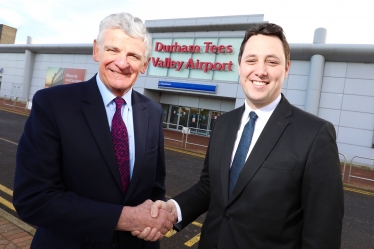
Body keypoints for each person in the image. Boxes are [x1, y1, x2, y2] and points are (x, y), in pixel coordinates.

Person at [138, 23, 344, 248]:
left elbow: (323, 233)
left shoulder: (315, 134)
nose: (261, 70)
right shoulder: (223, 123)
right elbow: (210, 187)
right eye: (251, 60)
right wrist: (175, 208)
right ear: (239, 66)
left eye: (272, 61)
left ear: (286, 69)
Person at [13, 12, 173, 249]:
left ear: (145, 64)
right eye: (113, 50)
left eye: (133, 55)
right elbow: (33, 198)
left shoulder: (152, 112)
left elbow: (156, 189)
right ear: (97, 50)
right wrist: (126, 218)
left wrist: (160, 213)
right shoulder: (54, 104)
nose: (122, 62)